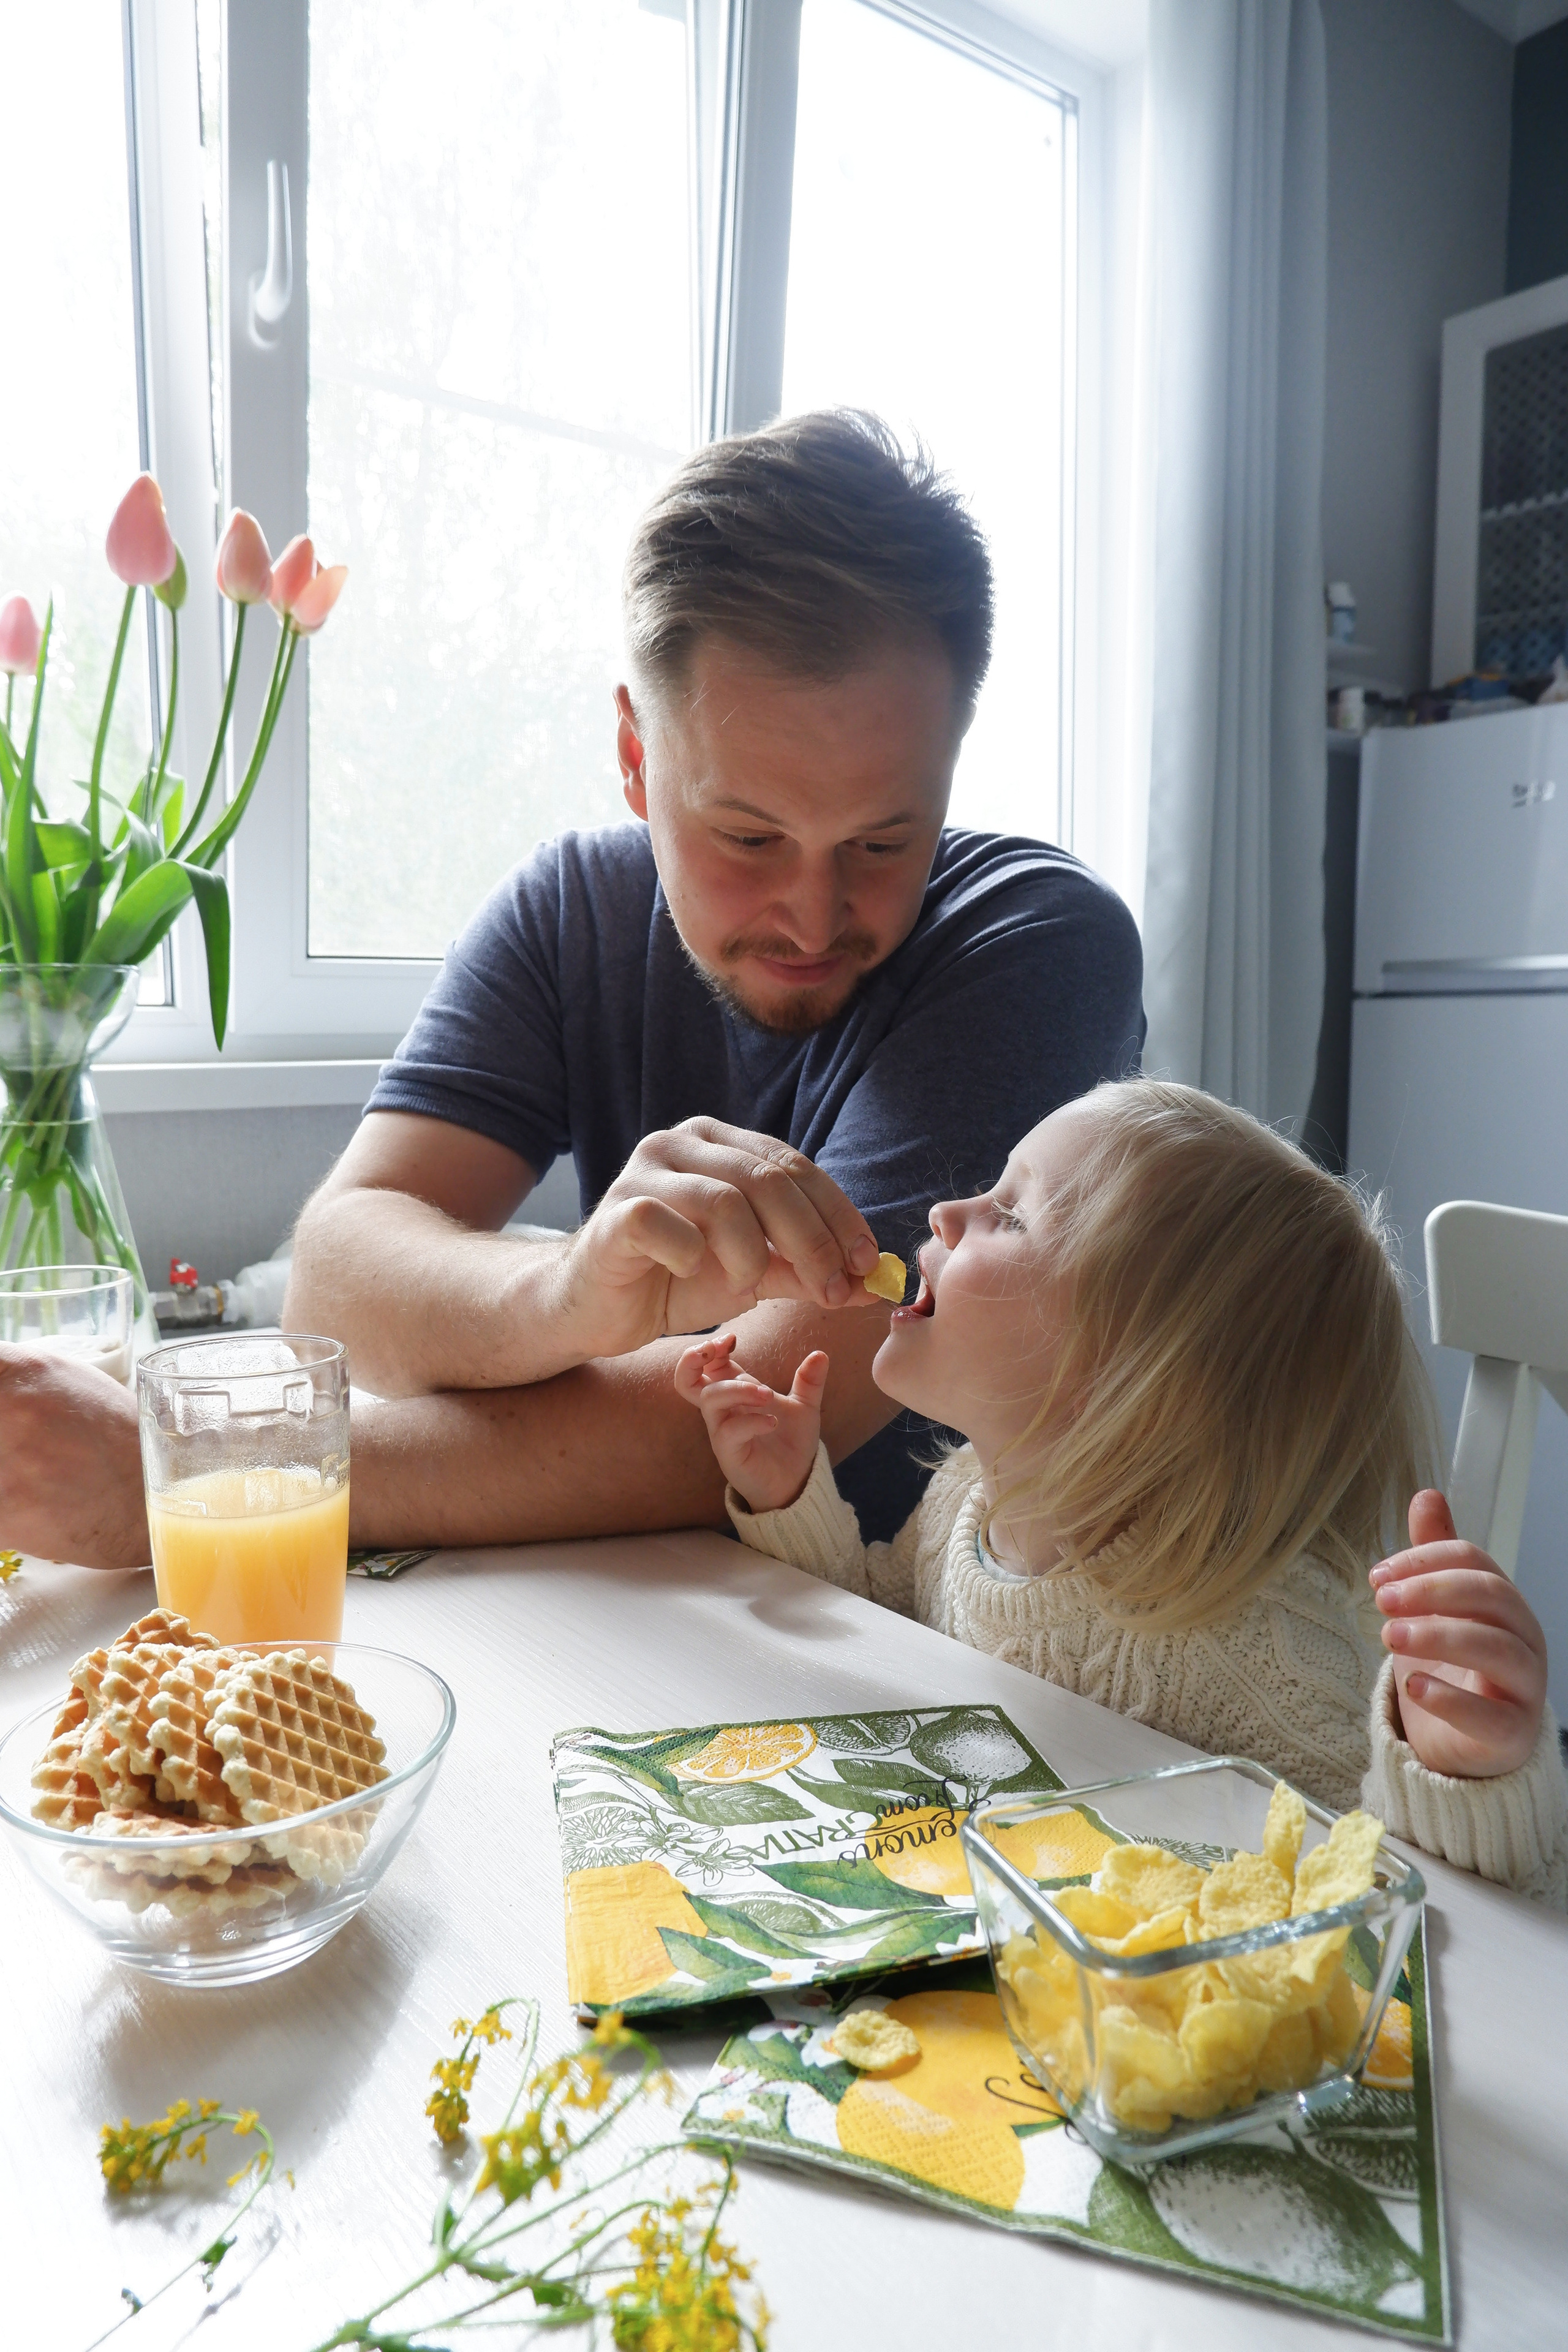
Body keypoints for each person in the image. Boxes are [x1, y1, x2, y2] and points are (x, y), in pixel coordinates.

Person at [0, 410, 1142, 1568]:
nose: (812, 913)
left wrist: (204, 1479)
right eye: (748, 837)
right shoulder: (572, 912)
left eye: (884, 842)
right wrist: (566, 1287)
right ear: (638, 760)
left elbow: (736, 1420)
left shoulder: (1038, 945)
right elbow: (336, 1284)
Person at [677, 1079, 1567, 1906]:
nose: (948, 1213)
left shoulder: (1265, 1654)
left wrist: (1459, 1773)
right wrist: (794, 1495)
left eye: (1013, 1214)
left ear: (1139, 1380)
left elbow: (1426, 1908)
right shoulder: (967, 1501)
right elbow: (897, 1636)